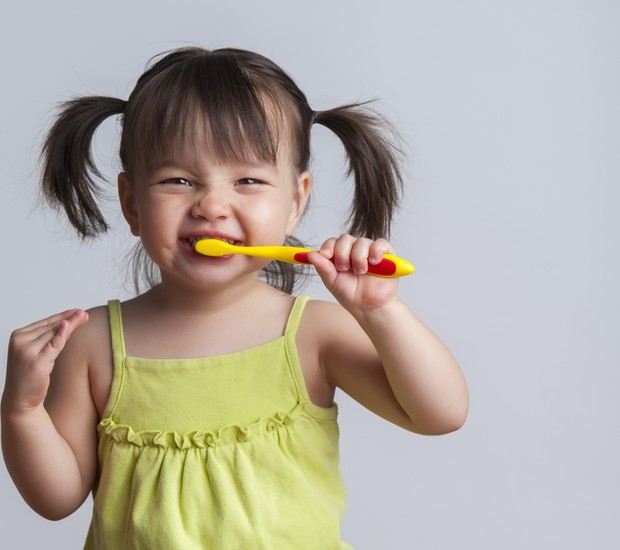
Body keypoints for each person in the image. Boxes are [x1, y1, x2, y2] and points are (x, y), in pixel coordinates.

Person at [1, 47, 468, 549]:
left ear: (294, 202)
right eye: (178, 180)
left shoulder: (313, 334)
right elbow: (56, 500)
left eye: (248, 180)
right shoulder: (91, 343)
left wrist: (381, 312)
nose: (212, 206)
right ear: (132, 203)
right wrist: (21, 411)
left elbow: (439, 414)